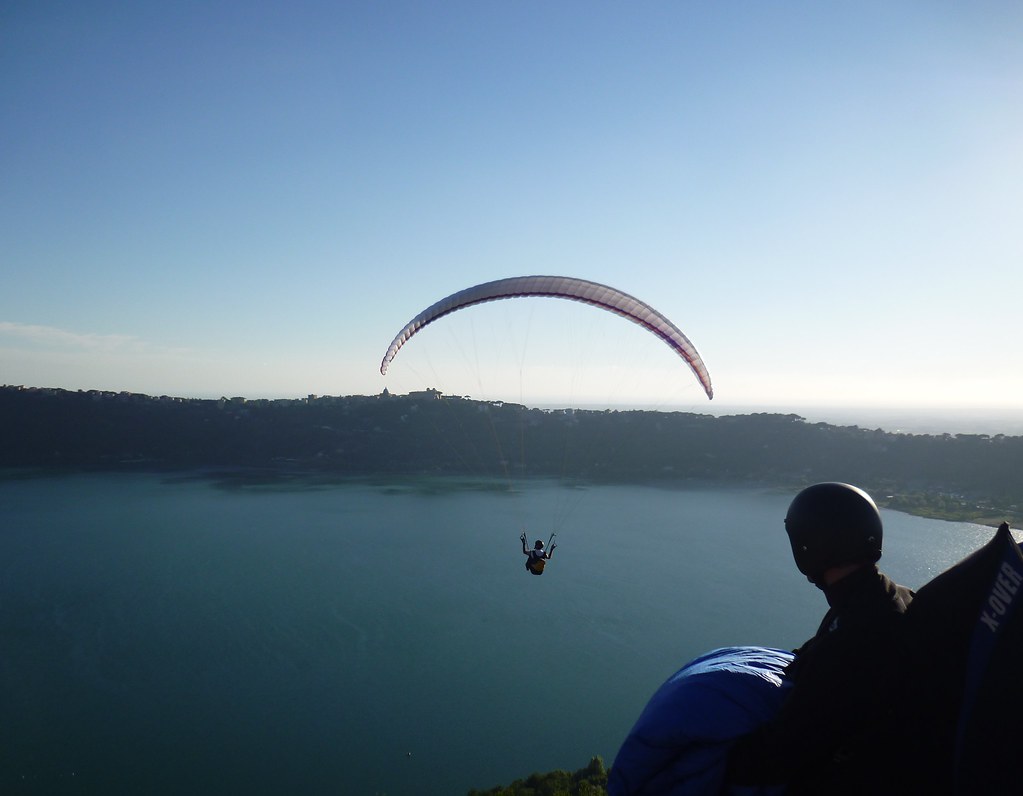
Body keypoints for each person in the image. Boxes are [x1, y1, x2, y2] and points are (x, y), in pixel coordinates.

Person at [725, 482, 915, 795]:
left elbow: (781, 753)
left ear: (807, 546)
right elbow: (813, 656)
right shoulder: (887, 597)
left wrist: (717, 752)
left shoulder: (857, 637)